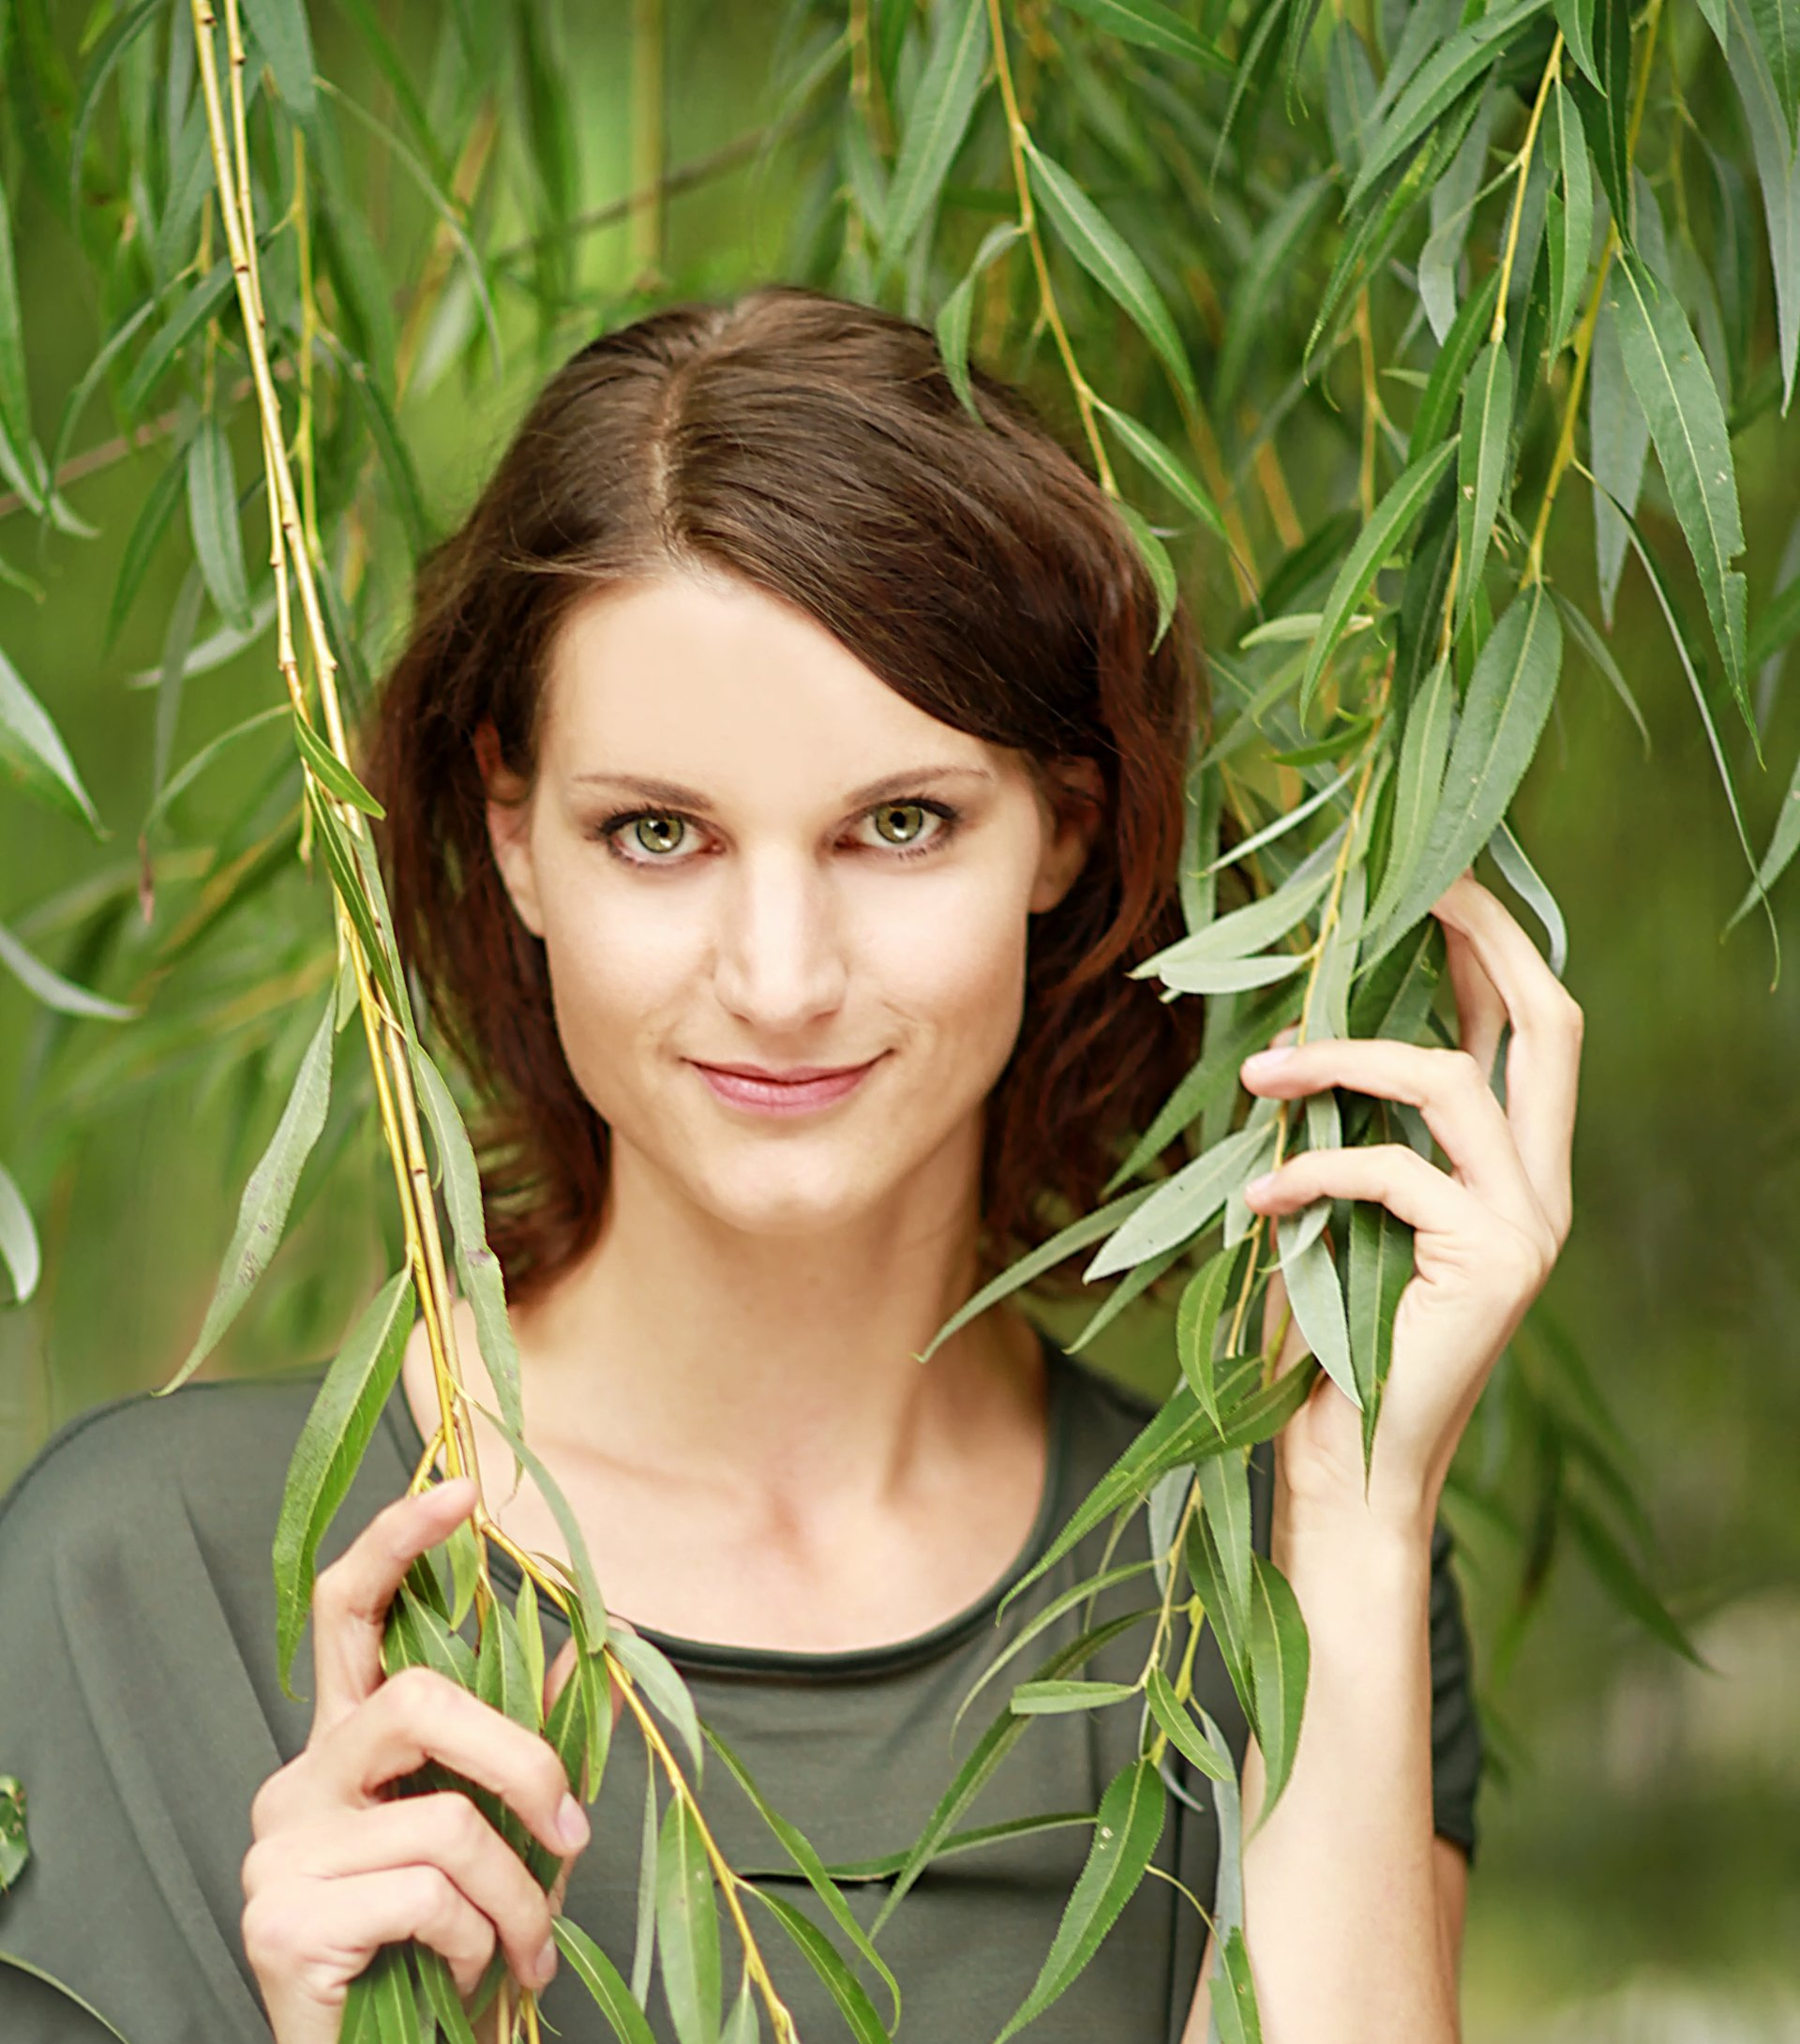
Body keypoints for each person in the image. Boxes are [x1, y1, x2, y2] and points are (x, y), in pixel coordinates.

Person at [0, 286, 1580, 2044]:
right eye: (656, 833)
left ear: (1059, 824)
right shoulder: (145, 1585)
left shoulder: (1256, 1592)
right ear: (516, 836)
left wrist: (1352, 1521)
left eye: (898, 824)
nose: (778, 977)